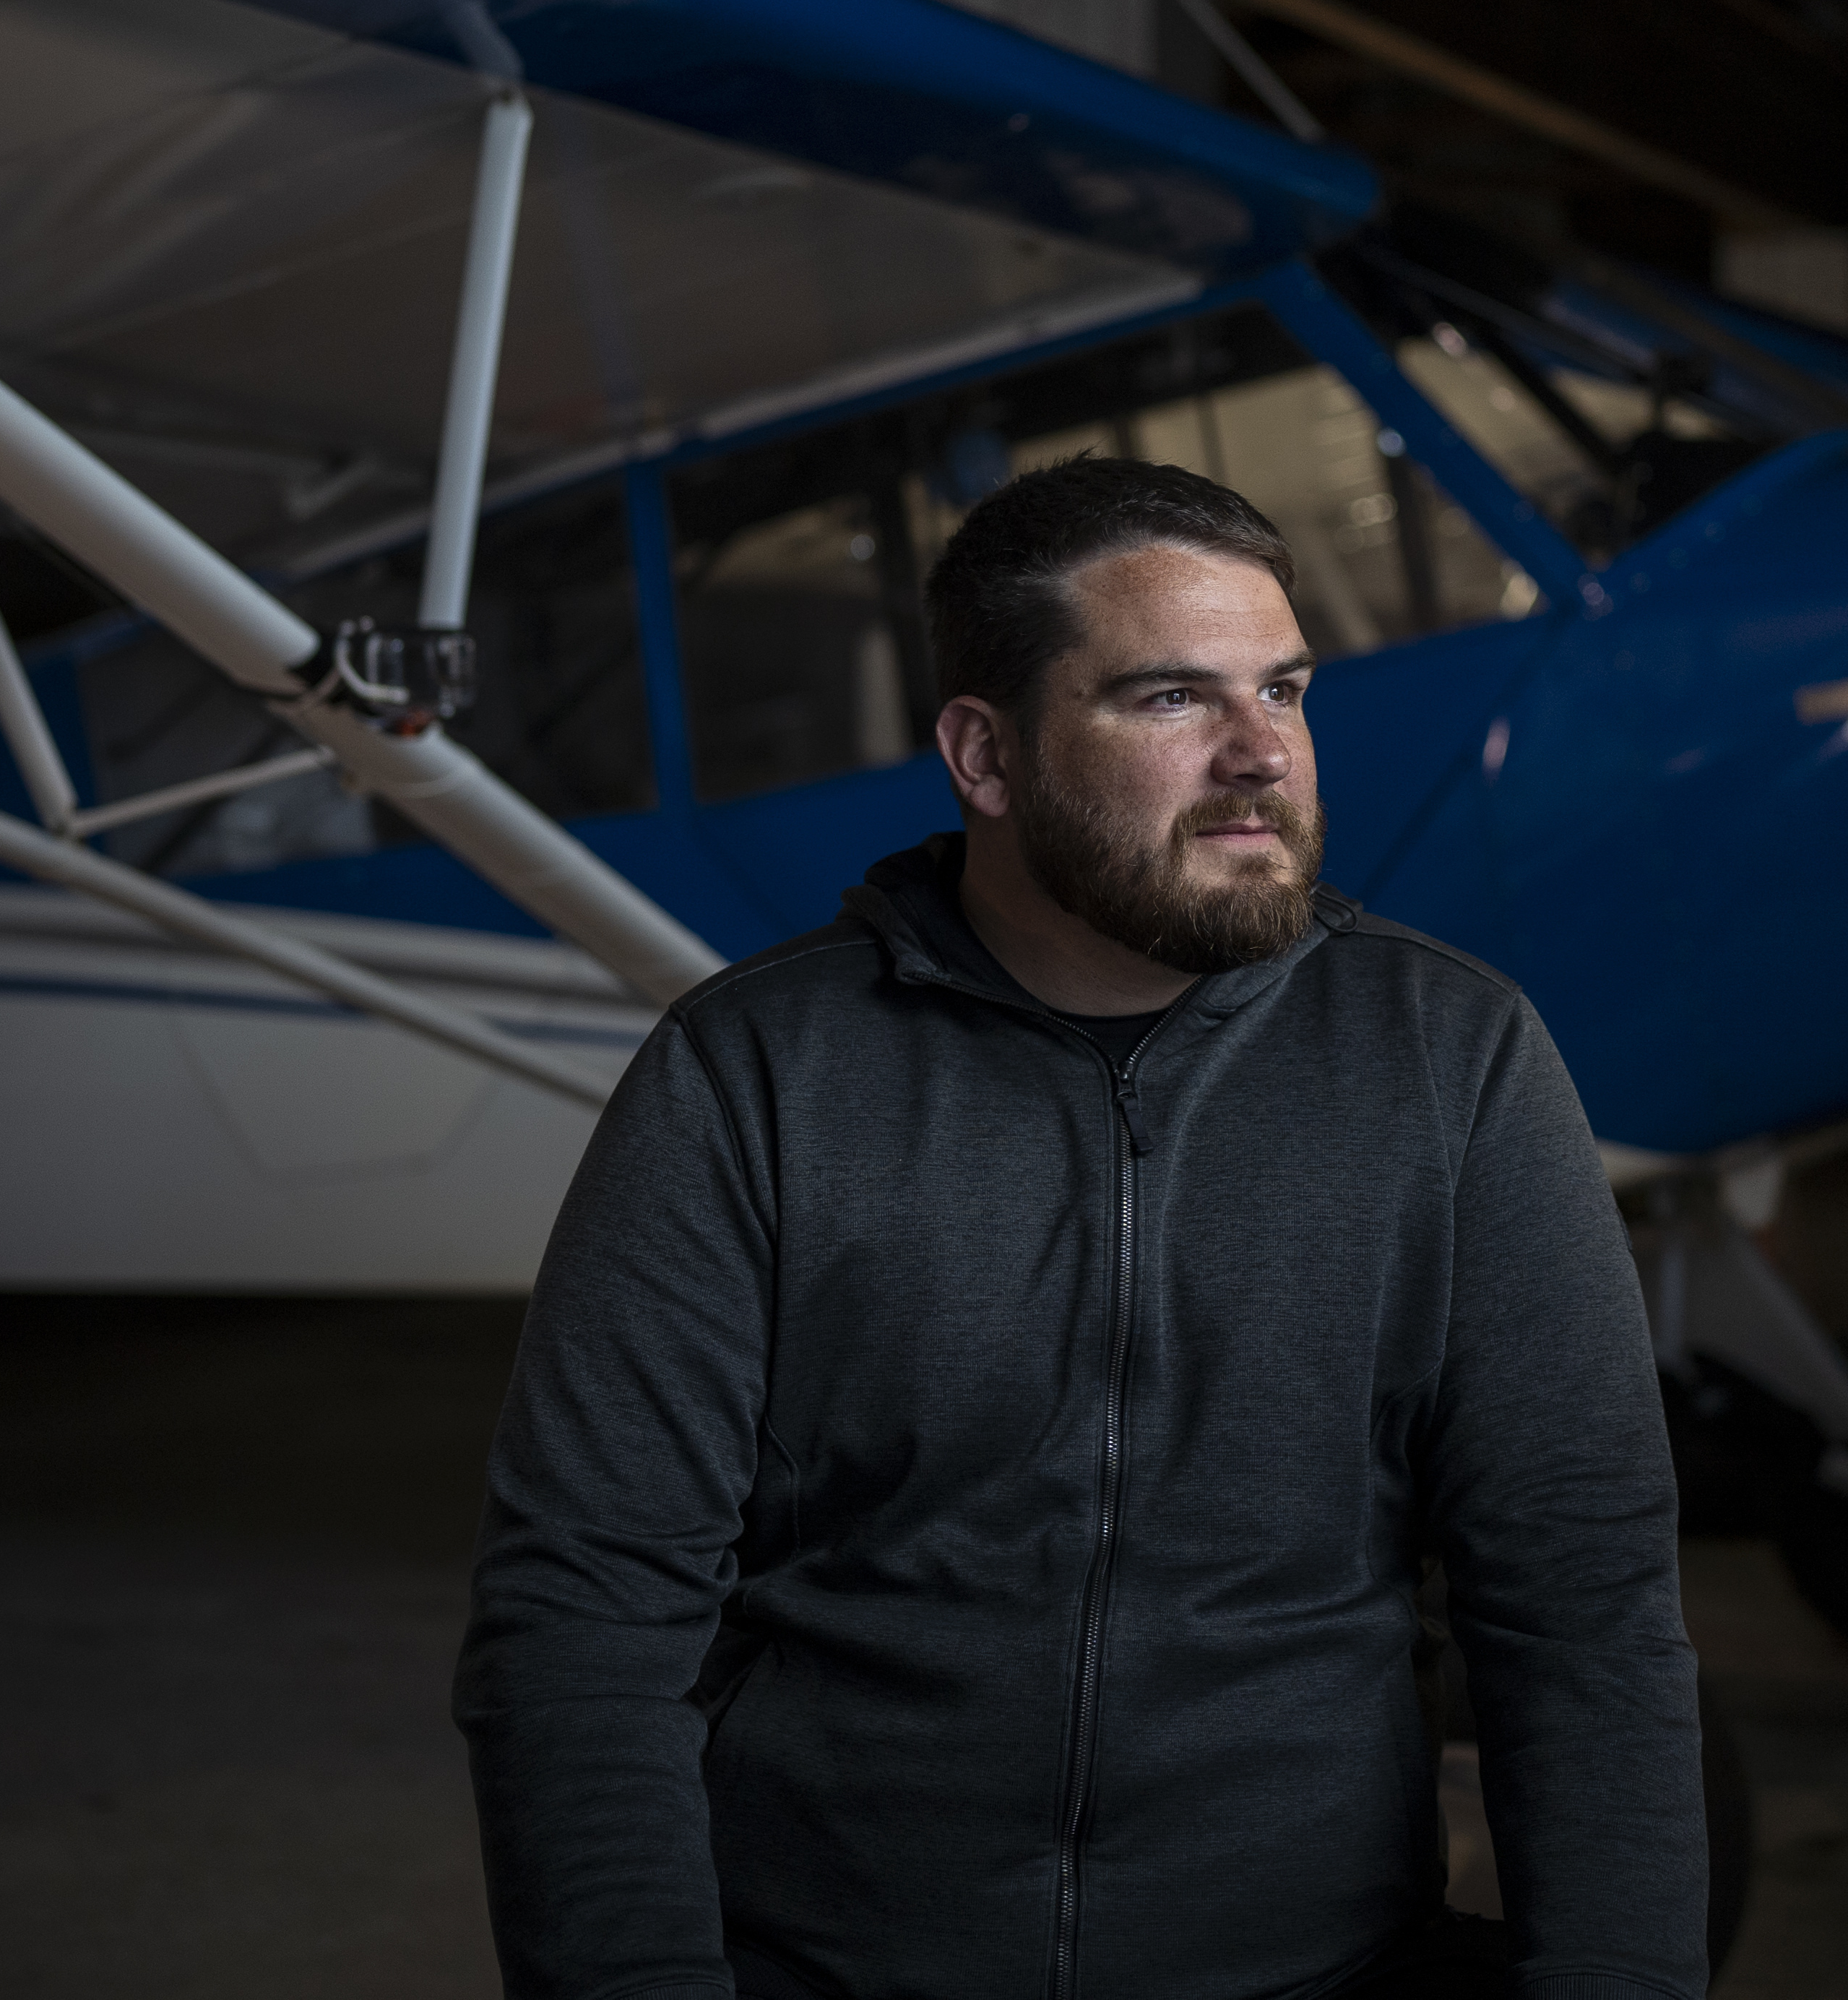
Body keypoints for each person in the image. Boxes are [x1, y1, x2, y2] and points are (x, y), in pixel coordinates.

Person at [457, 454, 1704, 2000]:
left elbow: (1581, 1605)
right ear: (984, 754)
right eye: (1172, 697)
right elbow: (583, 1621)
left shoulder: (1454, 1061)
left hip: (1317, 1976)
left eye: (1284, 690)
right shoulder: (752, 1073)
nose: (1262, 754)